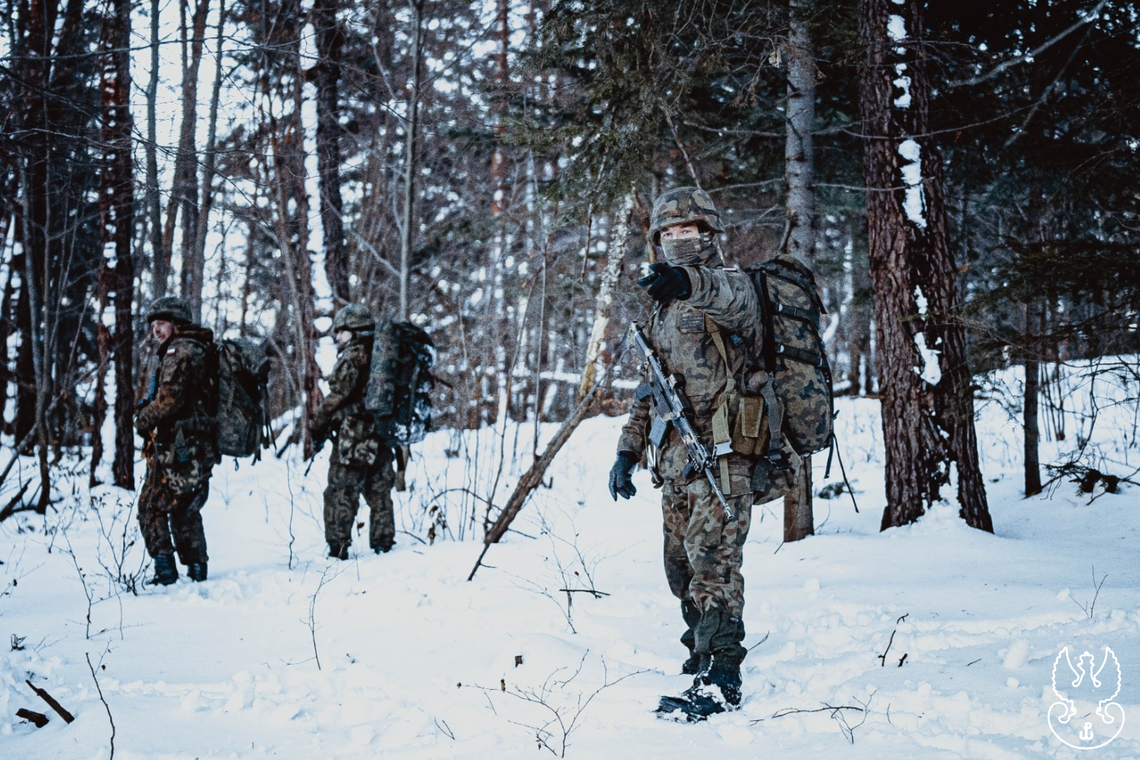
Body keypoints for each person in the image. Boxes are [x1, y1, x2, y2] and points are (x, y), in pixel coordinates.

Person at [608, 187, 793, 720]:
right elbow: (651, 392)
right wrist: (627, 452)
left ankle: (722, 677)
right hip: (674, 465)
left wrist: (688, 279)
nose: (677, 243)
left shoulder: (734, 288)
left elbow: (723, 295)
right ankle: (700, 656)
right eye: (667, 235)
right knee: (680, 570)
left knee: (714, 567)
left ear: (709, 235)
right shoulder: (660, 309)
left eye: (687, 233)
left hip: (724, 456)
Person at [136, 296, 218, 585]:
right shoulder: (199, 349)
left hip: (180, 445)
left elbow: (168, 401)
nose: (156, 330)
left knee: (150, 505)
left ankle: (166, 572)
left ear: (176, 323)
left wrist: (143, 419)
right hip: (196, 443)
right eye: (153, 325)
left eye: (161, 323)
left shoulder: (178, 352)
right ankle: (197, 571)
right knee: (184, 507)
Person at [310, 304, 396, 559]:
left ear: (355, 330)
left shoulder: (353, 356)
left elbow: (338, 395)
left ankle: (338, 547)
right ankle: (384, 545)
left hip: (354, 435)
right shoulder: (384, 356)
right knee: (379, 490)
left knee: (340, 489)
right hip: (380, 432)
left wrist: (318, 423)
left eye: (342, 331)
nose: (337, 337)